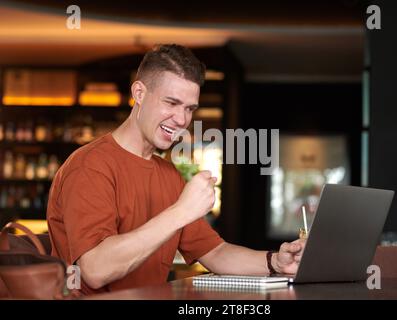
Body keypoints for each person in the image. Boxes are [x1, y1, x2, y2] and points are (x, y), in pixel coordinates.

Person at [47, 44, 305, 295]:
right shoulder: (90, 167)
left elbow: (215, 253)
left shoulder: (170, 175)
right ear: (139, 93)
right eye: (171, 103)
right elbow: (94, 269)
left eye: (189, 108)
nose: (182, 120)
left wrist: (275, 263)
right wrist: (181, 211)